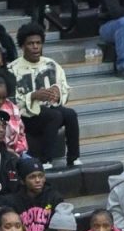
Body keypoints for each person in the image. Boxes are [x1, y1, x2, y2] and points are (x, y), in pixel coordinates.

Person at [9, 23, 80, 169]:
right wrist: (33, 96)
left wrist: (58, 94)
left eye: (38, 43)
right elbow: (10, 102)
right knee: (54, 115)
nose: (35, 47)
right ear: (22, 46)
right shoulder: (12, 69)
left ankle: (74, 158)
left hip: (49, 111)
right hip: (26, 117)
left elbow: (65, 89)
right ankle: (45, 160)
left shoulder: (52, 64)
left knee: (70, 114)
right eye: (30, 43)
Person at [4, 158, 63, 231]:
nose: (38, 180)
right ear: (22, 181)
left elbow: (59, 227)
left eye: (41, 176)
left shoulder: (54, 197)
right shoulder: (12, 201)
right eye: (32, 177)